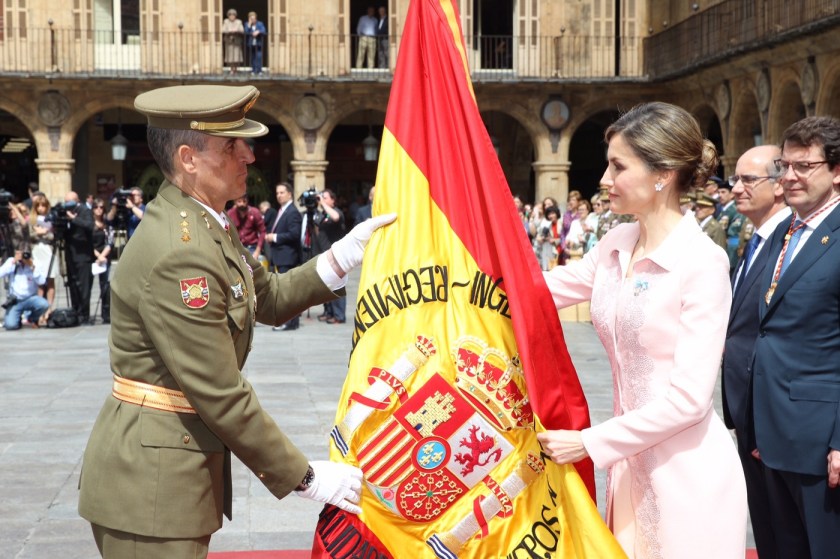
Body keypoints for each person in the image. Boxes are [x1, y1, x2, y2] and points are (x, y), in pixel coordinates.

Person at [77, 84, 395, 559]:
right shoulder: (180, 251)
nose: (249, 155)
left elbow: (268, 297)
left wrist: (342, 254)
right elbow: (219, 390)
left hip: (170, 472)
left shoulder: (206, 223)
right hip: (151, 487)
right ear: (188, 159)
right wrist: (305, 477)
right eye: (231, 146)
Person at [536, 102, 747, 558]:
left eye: (618, 166)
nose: (604, 179)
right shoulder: (616, 243)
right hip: (627, 468)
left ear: (662, 174)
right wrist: (460, 271)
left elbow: (689, 400)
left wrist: (590, 442)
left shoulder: (703, 262)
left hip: (688, 474)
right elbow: (538, 290)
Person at [749, 116, 840, 559]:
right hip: (773, 434)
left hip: (821, 442)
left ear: (836, 170)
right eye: (784, 166)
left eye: (804, 166)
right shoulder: (786, 231)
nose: (789, 177)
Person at [721, 144, 788, 559]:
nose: (736, 188)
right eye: (736, 179)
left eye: (748, 179)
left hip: (775, 413)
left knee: (788, 532)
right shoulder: (759, 238)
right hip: (746, 408)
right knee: (767, 527)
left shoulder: (789, 241)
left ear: (779, 185)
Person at [265, 182, 302, 331]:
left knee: (287, 291)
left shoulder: (292, 212)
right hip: (280, 257)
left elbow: (294, 234)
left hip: (288, 257)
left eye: (282, 192)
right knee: (284, 290)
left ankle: (289, 322)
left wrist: (274, 237)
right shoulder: (282, 210)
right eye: (277, 193)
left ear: (289, 194)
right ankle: (290, 321)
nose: (279, 195)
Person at [312, 189, 346, 323]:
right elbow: (316, 226)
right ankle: (329, 312)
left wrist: (323, 204)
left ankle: (339, 315)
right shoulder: (323, 214)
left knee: (337, 285)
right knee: (326, 286)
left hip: (336, 256)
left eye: (325, 197)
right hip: (324, 254)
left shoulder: (337, 212)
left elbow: (335, 217)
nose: (322, 200)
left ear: (333, 200)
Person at [63, 191, 94, 325]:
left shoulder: (84, 210)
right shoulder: (65, 212)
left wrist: (73, 219)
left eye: (70, 202)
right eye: (66, 202)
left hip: (83, 255)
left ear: (77, 201)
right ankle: (75, 312)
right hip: (70, 254)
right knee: (73, 284)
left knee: (83, 286)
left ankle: (85, 315)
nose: (67, 204)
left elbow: (89, 225)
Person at [1, 249, 50, 330]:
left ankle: (32, 319)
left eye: (24, 254)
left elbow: (41, 282)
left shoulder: (36, 263)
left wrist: (32, 267)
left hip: (31, 298)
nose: (22, 256)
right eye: (19, 253)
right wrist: (13, 262)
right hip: (15, 300)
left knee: (43, 304)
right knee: (10, 325)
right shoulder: (11, 261)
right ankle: (17, 319)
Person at [28, 193, 56, 308]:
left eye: (43, 206)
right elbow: (30, 235)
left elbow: (53, 236)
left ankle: (49, 307)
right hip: (36, 250)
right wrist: (39, 233)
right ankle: (39, 308)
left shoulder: (51, 219)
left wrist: (43, 232)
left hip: (48, 250)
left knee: (50, 280)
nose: (40, 208)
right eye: (38, 206)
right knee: (39, 281)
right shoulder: (32, 220)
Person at [91, 197, 113, 324]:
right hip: (92, 257)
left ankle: (105, 313)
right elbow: (88, 242)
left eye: (101, 207)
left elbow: (110, 241)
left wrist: (102, 256)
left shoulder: (107, 224)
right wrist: (97, 256)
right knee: (88, 286)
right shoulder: (90, 224)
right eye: (96, 207)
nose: (99, 210)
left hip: (105, 258)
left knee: (104, 286)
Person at [226, 194, 266, 260]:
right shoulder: (230, 214)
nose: (242, 204)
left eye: (244, 201)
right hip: (237, 247)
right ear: (235, 202)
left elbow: (262, 232)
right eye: (239, 201)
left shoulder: (254, 212)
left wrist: (257, 251)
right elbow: (226, 231)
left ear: (247, 201)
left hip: (252, 247)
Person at [222, 9, 244, 74]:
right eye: (230, 15)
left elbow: (242, 30)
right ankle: (231, 69)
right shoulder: (226, 22)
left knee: (236, 56)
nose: (232, 16)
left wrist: (236, 31)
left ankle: (235, 69)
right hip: (229, 42)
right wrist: (229, 31)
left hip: (236, 42)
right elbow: (223, 30)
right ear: (228, 16)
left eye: (233, 15)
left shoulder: (239, 22)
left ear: (235, 16)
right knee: (230, 56)